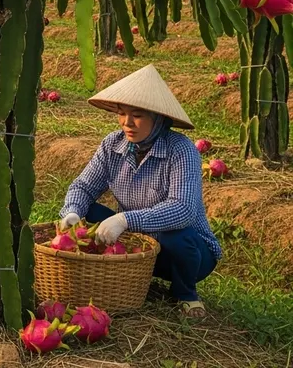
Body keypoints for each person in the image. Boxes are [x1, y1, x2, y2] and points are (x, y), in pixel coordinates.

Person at [58, 64, 221, 318]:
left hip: (188, 254)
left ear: (158, 119)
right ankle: (126, 273)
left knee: (175, 234)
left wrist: (125, 219)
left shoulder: (181, 150)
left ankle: (185, 293)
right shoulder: (113, 145)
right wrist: (72, 212)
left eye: (138, 115)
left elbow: (184, 209)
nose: (127, 122)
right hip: (135, 246)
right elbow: (84, 186)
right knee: (86, 210)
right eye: (121, 113)